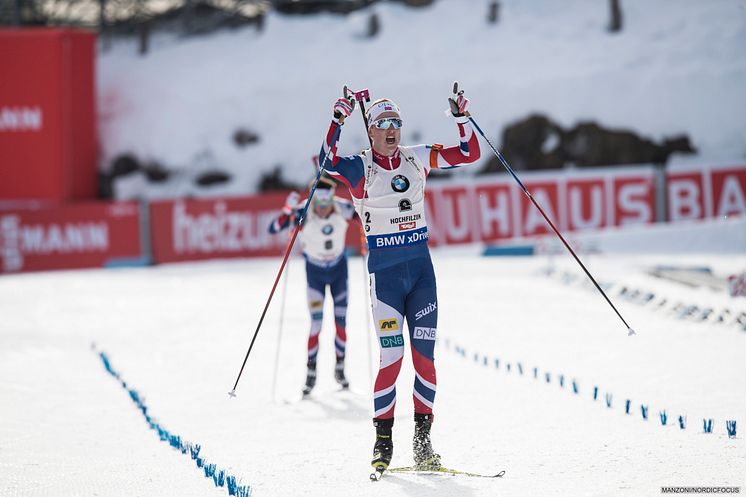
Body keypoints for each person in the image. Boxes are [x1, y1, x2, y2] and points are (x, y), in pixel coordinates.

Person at [319, 84, 481, 473]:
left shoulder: (417, 158)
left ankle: (423, 442)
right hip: (387, 279)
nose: (392, 130)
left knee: (424, 360)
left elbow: (469, 153)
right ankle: (383, 440)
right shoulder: (361, 167)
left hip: (421, 274)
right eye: (383, 124)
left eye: (396, 123)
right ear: (371, 129)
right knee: (392, 358)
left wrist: (462, 119)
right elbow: (326, 163)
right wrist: (337, 120)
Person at [268, 175, 357, 396]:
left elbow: (369, 217)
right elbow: (273, 228)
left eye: (328, 199)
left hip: (338, 270)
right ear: (313, 198)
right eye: (319, 200)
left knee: (341, 322)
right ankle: (311, 372)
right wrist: (288, 209)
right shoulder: (302, 211)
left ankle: (340, 368)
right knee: (316, 324)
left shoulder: (343, 208)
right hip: (315, 273)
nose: (324, 207)